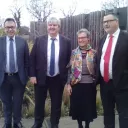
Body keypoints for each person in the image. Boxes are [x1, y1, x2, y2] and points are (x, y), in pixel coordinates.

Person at [29, 17, 71, 128]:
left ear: (59, 27)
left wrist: (67, 79)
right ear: (47, 27)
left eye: (54, 25)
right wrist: (32, 75)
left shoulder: (66, 41)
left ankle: (54, 124)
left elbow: (69, 61)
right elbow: (32, 59)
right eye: (50, 25)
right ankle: (38, 123)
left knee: (56, 104)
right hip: (40, 77)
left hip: (57, 78)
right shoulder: (39, 40)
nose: (52, 27)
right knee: (39, 103)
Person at [96, 13, 128, 128]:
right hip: (106, 84)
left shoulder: (125, 37)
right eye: (104, 22)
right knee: (108, 114)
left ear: (117, 22)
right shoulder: (103, 39)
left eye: (108, 21)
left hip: (123, 85)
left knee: (124, 115)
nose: (106, 24)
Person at [0, 18, 29, 128]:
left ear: (15, 28)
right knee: (6, 103)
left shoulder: (22, 41)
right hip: (3, 78)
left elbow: (27, 61)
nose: (10, 29)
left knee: (17, 103)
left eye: (12, 27)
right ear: (4, 28)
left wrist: (25, 76)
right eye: (8, 27)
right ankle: (7, 123)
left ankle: (17, 122)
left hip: (18, 77)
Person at [66, 28, 97, 128]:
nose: (81, 40)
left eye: (83, 37)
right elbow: (69, 70)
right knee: (78, 107)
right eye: (79, 38)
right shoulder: (73, 53)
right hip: (76, 84)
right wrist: (68, 84)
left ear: (88, 39)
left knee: (88, 107)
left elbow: (98, 70)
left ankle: (87, 125)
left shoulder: (94, 53)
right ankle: (80, 125)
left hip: (89, 84)